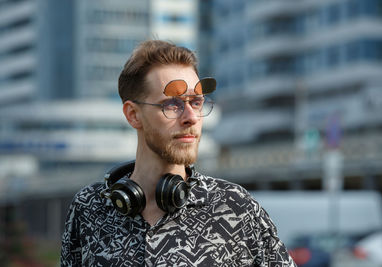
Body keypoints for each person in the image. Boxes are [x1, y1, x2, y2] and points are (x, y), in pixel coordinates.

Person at [61, 40, 296, 266]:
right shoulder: (89, 207)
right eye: (172, 105)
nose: (191, 117)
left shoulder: (235, 208)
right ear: (133, 115)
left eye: (196, 102)